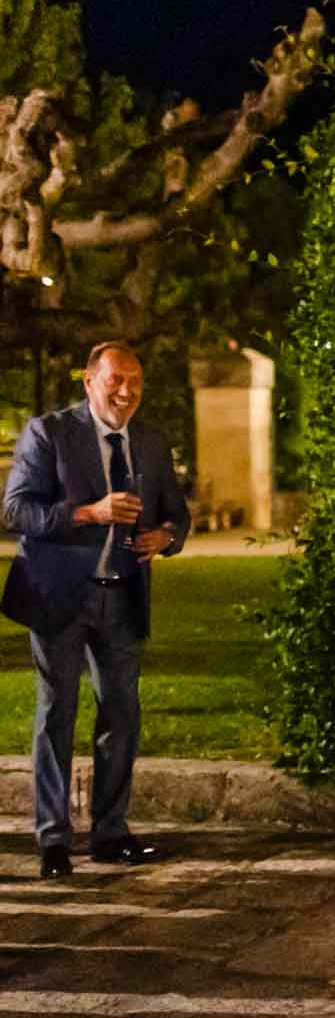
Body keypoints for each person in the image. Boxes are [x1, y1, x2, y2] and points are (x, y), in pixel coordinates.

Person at [2, 341, 190, 880]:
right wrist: (90, 512)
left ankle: (110, 834)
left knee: (122, 713)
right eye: (116, 380)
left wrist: (166, 537)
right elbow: (16, 510)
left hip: (121, 595)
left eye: (136, 381)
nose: (127, 391)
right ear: (89, 382)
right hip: (58, 594)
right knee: (57, 713)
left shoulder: (150, 441)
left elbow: (177, 514)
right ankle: (53, 840)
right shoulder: (50, 433)